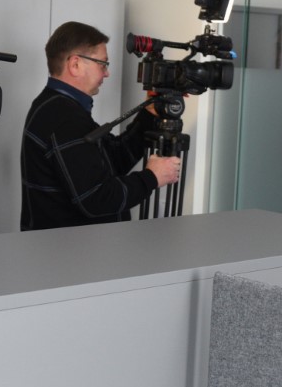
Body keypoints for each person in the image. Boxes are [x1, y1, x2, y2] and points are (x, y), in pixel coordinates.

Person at [20, 21, 181, 230]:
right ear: (75, 64)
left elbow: (112, 161)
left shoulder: (56, 105)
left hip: (70, 245)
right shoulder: (64, 118)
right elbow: (96, 199)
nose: (107, 73)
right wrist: (152, 177)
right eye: (102, 64)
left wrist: (149, 114)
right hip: (69, 248)